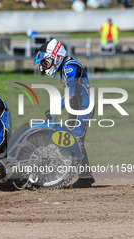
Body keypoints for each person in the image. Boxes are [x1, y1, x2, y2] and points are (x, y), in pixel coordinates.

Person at [32, 38, 95, 188]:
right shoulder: (66, 67)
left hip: (83, 108)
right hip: (77, 108)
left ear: (56, 55)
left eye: (46, 62)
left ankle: (81, 177)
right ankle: (85, 176)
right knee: (75, 140)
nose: (45, 66)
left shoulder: (70, 67)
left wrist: (55, 108)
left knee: (75, 140)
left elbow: (70, 93)